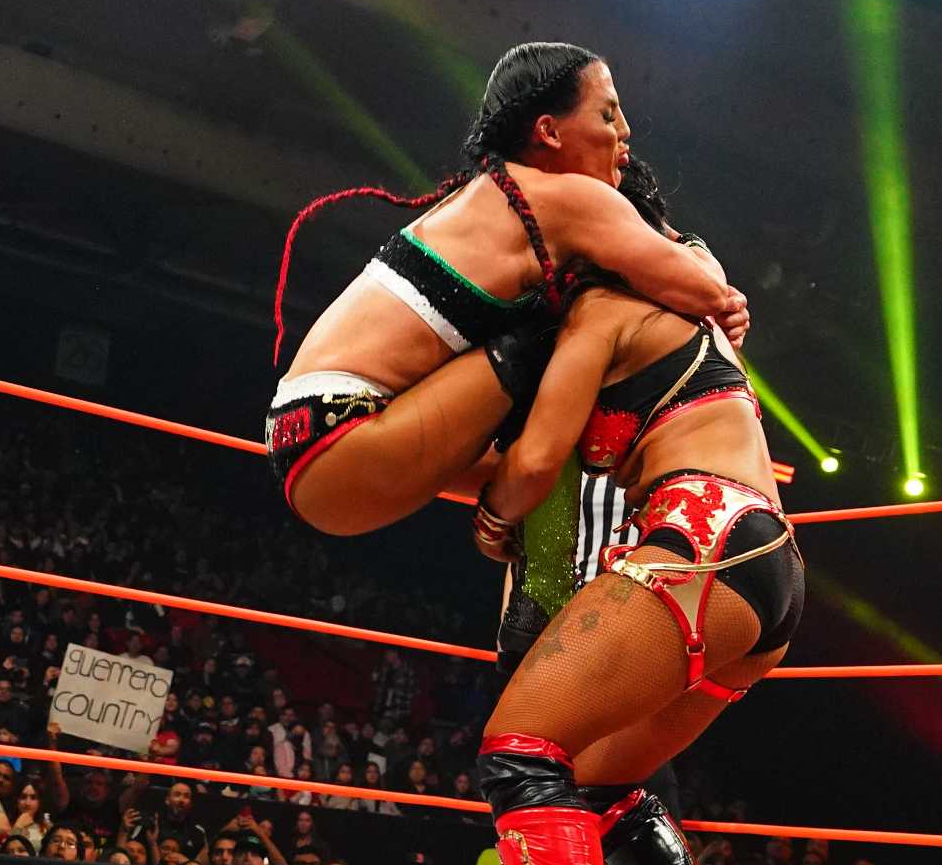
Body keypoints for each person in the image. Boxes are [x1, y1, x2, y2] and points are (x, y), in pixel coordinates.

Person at [458, 163, 800, 865]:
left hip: (699, 538)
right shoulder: (688, 311)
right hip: (763, 565)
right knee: (597, 777)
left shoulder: (604, 310)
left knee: (520, 750)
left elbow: (535, 462)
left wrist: (490, 515)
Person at [268, 43, 747, 537]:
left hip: (306, 434)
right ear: (549, 131)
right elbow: (709, 291)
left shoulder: (492, 195)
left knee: (554, 431)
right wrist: (693, 255)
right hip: (345, 434)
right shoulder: (565, 200)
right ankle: (510, 522)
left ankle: (523, 520)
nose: (624, 130)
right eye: (607, 114)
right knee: (574, 323)